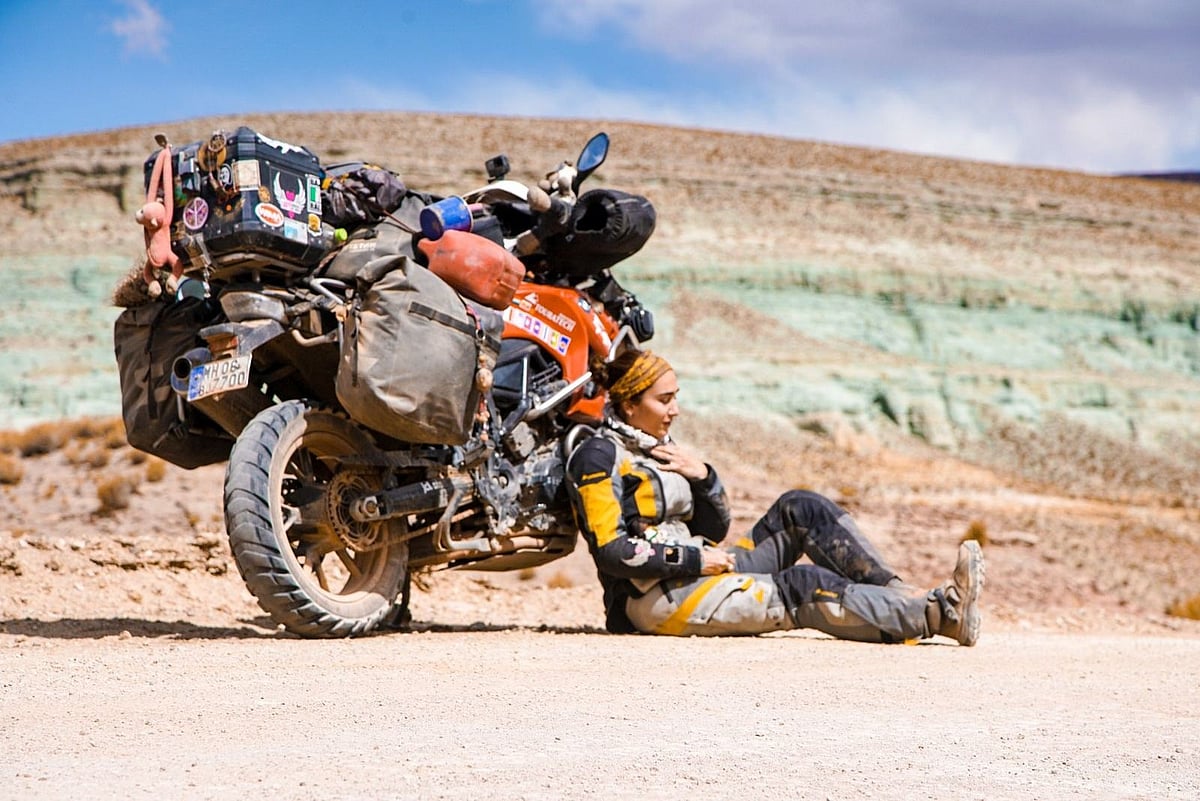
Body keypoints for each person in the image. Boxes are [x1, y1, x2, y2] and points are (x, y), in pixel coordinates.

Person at [564, 348, 985, 645]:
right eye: (665, 400)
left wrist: (704, 477)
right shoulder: (599, 456)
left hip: (699, 572)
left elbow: (714, 529)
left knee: (801, 507)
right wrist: (696, 559)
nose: (675, 410)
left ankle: (901, 596)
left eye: (676, 398)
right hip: (654, 602)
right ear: (629, 404)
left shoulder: (658, 448)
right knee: (801, 587)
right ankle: (938, 615)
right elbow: (610, 550)